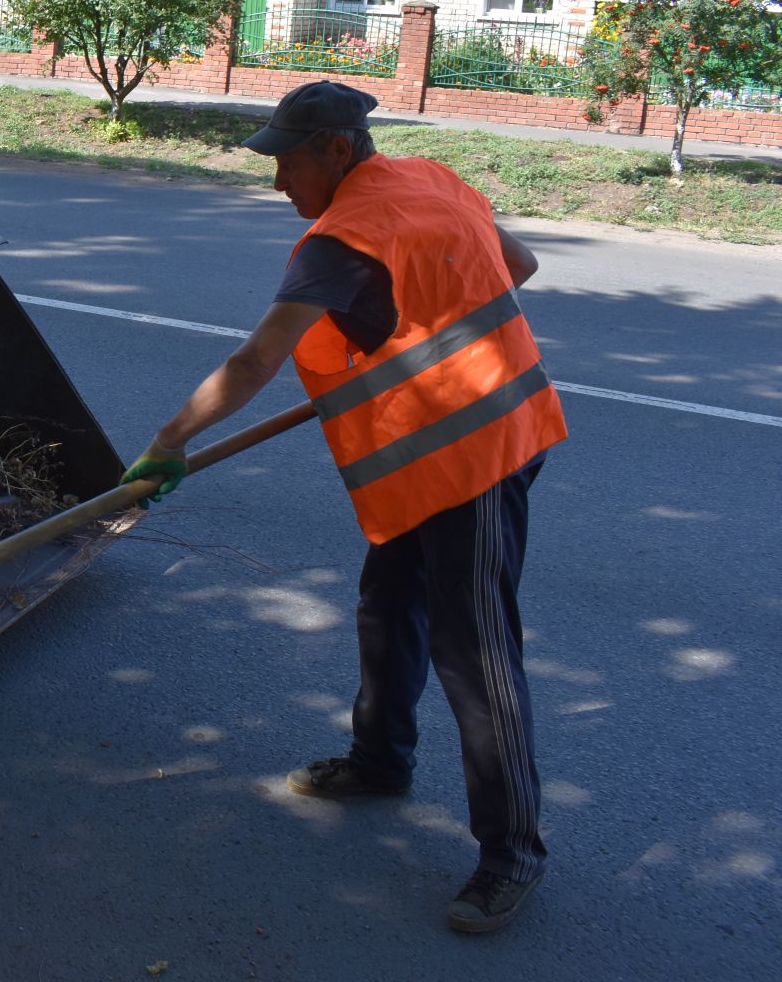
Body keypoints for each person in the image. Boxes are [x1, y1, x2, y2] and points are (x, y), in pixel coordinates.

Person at [124, 80, 567, 934]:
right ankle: (379, 761)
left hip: (474, 457)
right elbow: (519, 266)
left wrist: (170, 441)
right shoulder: (432, 180)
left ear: (335, 150)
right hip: (455, 445)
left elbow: (254, 364)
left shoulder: (341, 241)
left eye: (287, 163)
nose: (278, 182)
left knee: (476, 655)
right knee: (388, 602)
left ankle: (513, 854)